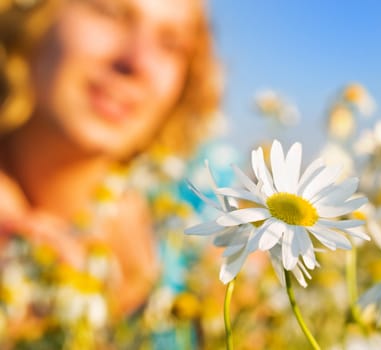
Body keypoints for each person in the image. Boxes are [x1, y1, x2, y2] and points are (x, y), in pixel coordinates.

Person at [0, 0, 225, 348]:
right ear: (32, 16)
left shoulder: (207, 200)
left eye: (171, 43)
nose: (138, 62)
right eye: (111, 12)